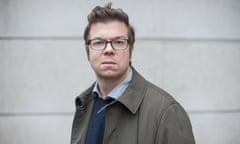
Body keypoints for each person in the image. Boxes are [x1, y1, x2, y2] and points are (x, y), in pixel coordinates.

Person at [71, 3, 195, 144]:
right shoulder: (84, 105)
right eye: (98, 42)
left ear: (131, 50)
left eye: (118, 42)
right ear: (88, 52)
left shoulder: (166, 112)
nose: (109, 49)